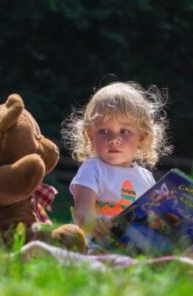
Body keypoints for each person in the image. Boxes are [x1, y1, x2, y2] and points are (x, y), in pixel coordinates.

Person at [62, 82, 172, 251]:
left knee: (176, 261)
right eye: (104, 131)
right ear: (90, 135)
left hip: (136, 251)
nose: (114, 139)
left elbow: (154, 224)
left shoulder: (146, 178)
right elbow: (82, 214)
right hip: (96, 246)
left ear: (142, 137)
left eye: (125, 131)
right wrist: (95, 224)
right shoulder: (92, 169)